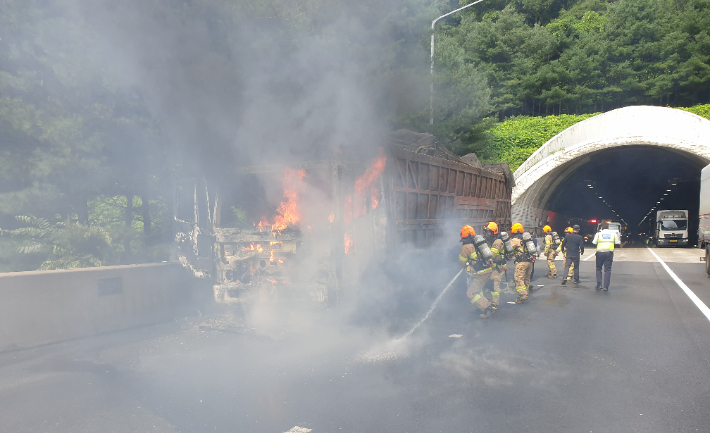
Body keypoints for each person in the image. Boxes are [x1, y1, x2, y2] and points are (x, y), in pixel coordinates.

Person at [458, 225, 497, 318]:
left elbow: (462, 263)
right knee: (478, 290)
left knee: (471, 293)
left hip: (480, 273)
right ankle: (481, 308)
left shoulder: (466, 247)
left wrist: (467, 264)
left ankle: (487, 307)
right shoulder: (480, 242)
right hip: (488, 270)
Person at [482, 221, 507, 308]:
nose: (486, 233)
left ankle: (494, 304)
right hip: (491, 267)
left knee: (495, 286)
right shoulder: (490, 240)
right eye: (486, 231)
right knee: (488, 285)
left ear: (493, 232)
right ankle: (488, 302)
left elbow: (492, 255)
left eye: (488, 231)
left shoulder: (498, 242)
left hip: (498, 268)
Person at [510, 223, 534, 303]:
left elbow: (509, 250)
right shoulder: (525, 239)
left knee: (518, 279)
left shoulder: (514, 240)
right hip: (529, 262)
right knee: (526, 279)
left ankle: (523, 297)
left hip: (522, 262)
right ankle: (525, 294)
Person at [592, 221, 621, 291]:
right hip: (609, 253)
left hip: (600, 252)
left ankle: (599, 284)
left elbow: (594, 242)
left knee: (598, 268)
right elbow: (617, 242)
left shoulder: (598, 234)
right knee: (608, 269)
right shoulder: (613, 234)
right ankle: (606, 286)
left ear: (601, 227)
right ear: (608, 227)